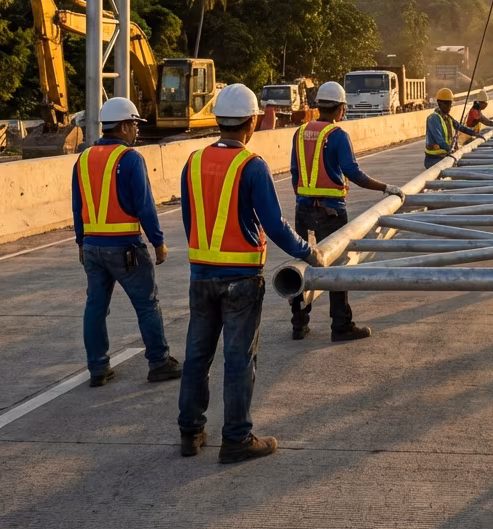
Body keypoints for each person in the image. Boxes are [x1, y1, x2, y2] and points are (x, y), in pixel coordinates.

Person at [177, 84, 325, 463]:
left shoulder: (193, 161)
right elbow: (275, 225)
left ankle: (190, 432)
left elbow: (190, 219)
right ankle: (237, 438)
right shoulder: (252, 165)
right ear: (253, 122)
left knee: (197, 356)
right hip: (241, 277)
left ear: (218, 120)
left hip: (201, 274)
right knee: (238, 359)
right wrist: (307, 252)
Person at [72, 97, 180, 387]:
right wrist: (158, 242)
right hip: (125, 248)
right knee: (147, 305)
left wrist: (81, 242)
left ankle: (98, 368)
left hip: (92, 248)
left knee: (95, 308)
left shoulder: (83, 159)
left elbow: (77, 206)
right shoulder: (130, 158)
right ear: (122, 126)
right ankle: (159, 362)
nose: (136, 130)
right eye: (134, 124)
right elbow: (144, 205)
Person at [290, 81, 405, 342]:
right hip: (331, 212)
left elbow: (295, 173)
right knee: (336, 266)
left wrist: (305, 199)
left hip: (303, 209)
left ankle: (299, 323)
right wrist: (385, 188)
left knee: (302, 264)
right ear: (340, 108)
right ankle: (341, 325)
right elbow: (353, 173)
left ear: (320, 105)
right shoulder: (337, 135)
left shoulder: (300, 133)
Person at [424, 87, 483, 168]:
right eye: (447, 104)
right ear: (439, 103)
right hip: (433, 159)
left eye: (450, 104)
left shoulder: (448, 118)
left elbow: (460, 127)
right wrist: (450, 150)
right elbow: (439, 140)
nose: (449, 107)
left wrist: (474, 133)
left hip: (445, 156)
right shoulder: (433, 119)